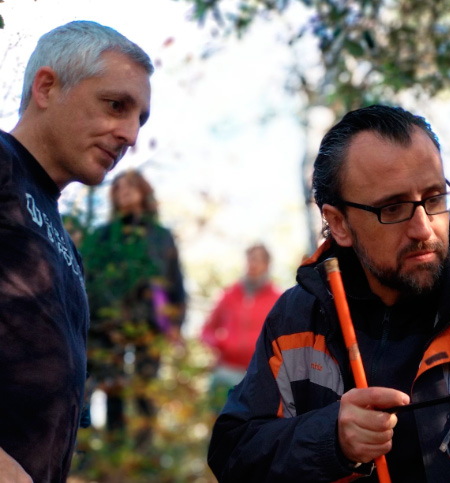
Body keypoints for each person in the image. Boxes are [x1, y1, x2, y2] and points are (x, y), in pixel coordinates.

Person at [208, 105, 450, 483]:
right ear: (338, 224)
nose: (423, 228)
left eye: (433, 199)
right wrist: (329, 439)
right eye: (393, 208)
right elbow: (233, 455)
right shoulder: (298, 318)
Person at [0, 20, 152, 483]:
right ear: (46, 87)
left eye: (139, 119)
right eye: (115, 105)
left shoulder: (62, 237)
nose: (130, 135)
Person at [82, 169, 186, 444]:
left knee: (145, 394)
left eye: (130, 186)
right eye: (118, 188)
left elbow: (175, 283)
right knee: (112, 393)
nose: (124, 192)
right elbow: (88, 281)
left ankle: (144, 459)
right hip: (107, 329)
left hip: (149, 329)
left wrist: (176, 325)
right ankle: (112, 459)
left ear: (143, 192)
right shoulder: (101, 236)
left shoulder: (161, 237)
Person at [201, 243, 281, 413]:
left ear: (267, 265)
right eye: (249, 259)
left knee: (252, 428)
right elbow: (206, 330)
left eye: (257, 260)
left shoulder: (277, 298)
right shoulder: (229, 295)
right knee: (221, 425)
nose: (252, 264)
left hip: (259, 375)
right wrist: (220, 344)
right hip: (226, 372)